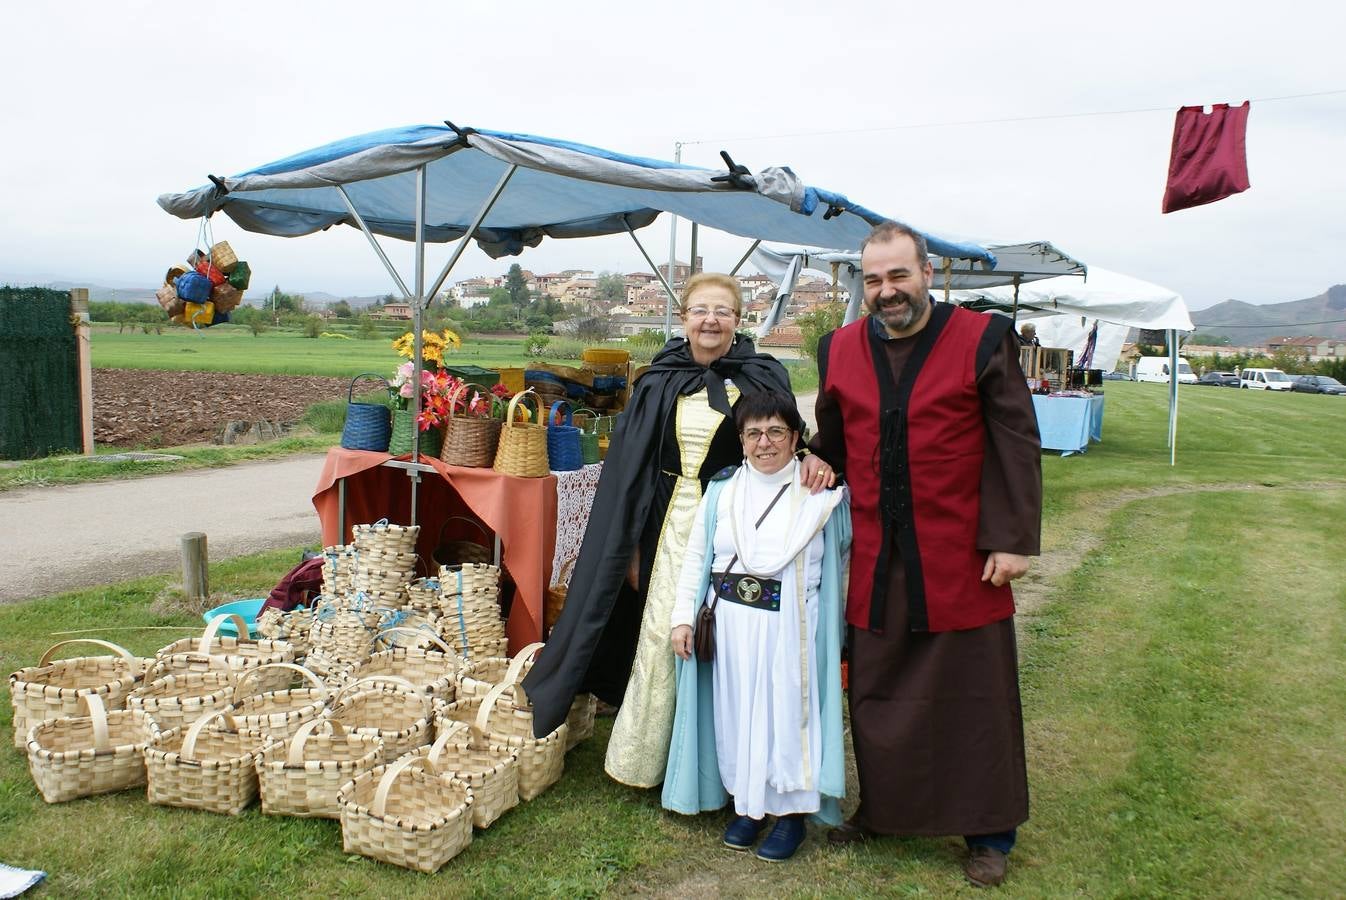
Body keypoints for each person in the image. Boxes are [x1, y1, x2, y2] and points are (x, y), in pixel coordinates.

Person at [523, 273, 836, 789]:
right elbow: (628, 469)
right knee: (666, 632)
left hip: (737, 518)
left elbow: (783, 443)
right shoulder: (656, 380)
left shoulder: (763, 375)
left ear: (738, 320)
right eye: (700, 310)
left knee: (731, 637)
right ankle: (653, 756)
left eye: (722, 311)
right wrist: (627, 548)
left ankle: (726, 761)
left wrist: (814, 460)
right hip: (668, 521)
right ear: (684, 317)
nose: (710, 320)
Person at [810, 221, 1042, 889]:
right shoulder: (838, 348)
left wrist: (1012, 536)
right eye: (874, 279)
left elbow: (1015, 443)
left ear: (929, 274)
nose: (886, 291)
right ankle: (885, 809)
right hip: (879, 558)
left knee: (975, 696)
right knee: (879, 694)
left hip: (962, 554)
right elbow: (836, 439)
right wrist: (819, 465)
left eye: (899, 276)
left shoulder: (981, 340)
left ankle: (989, 831)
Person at [662, 391, 850, 862]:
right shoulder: (722, 490)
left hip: (792, 626)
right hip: (730, 626)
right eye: (753, 433)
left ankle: (790, 814)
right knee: (737, 713)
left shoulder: (821, 495)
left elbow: (842, 566)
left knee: (786, 715)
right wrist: (682, 618)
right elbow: (696, 559)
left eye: (776, 432)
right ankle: (749, 805)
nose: (765, 443)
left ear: (795, 438)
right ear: (741, 440)